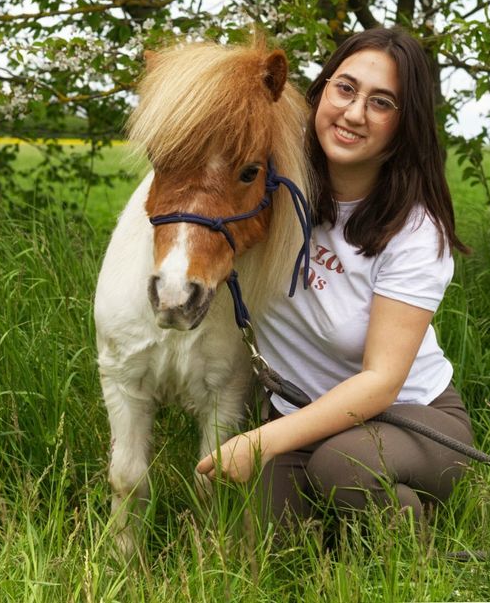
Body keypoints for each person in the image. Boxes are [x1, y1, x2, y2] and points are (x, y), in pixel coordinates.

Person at [195, 26, 473, 527]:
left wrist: (259, 441)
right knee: (255, 541)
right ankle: (346, 526)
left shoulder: (415, 232)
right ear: (321, 91)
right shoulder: (270, 187)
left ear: (405, 124)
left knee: (342, 468)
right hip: (301, 417)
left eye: (381, 102)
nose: (354, 112)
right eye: (345, 88)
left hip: (411, 419)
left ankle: (415, 534)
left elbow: (381, 382)